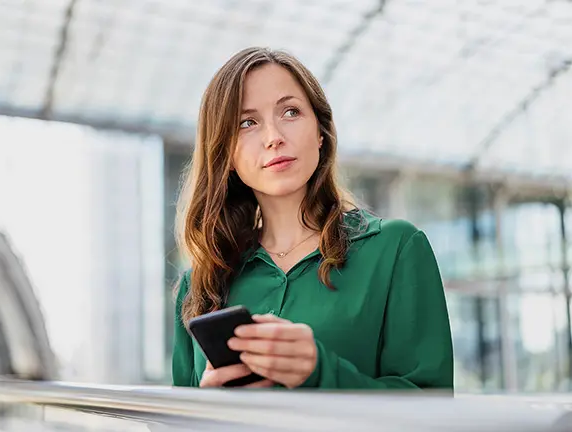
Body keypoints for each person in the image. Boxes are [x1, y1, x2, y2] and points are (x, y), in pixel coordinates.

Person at [172, 46, 453, 391]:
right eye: (247, 123)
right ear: (226, 154)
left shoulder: (396, 249)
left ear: (321, 132)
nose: (274, 137)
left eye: (290, 112)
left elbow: (432, 410)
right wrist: (208, 414)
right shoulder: (200, 284)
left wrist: (320, 373)